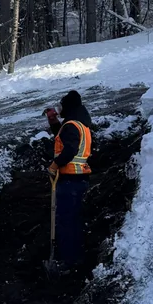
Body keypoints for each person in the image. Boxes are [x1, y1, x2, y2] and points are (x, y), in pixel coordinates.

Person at [47, 90, 92, 267]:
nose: (60, 109)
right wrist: (52, 121)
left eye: (62, 106)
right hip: (79, 178)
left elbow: (70, 149)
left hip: (70, 181)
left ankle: (68, 262)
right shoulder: (80, 124)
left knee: (66, 222)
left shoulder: (72, 125)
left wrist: (55, 164)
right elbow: (64, 137)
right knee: (73, 220)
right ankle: (74, 259)